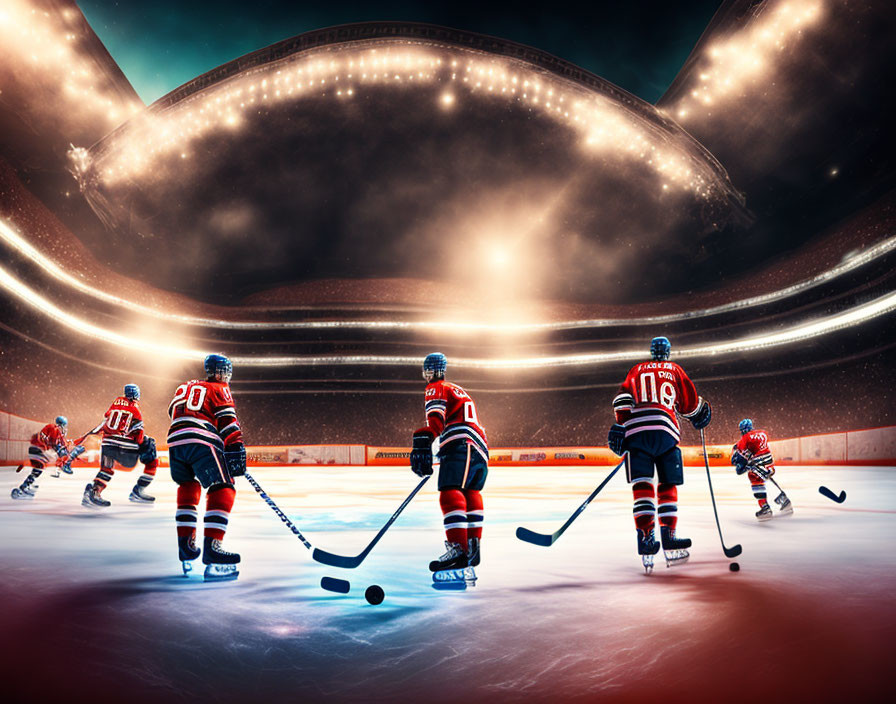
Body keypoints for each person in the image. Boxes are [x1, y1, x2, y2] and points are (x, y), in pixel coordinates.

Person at [608, 336, 712, 571]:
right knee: (667, 484)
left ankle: (645, 538)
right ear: (667, 352)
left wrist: (621, 426)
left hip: (636, 432)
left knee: (642, 485)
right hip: (666, 431)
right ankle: (668, 535)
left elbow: (622, 399)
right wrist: (700, 413)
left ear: (651, 351)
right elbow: (689, 405)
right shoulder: (674, 369)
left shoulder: (636, 369)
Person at [167, 354, 246, 581]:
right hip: (201, 438)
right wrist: (236, 447)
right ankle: (213, 551)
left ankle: (186, 547)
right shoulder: (220, 388)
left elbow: (174, 412)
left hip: (175, 440)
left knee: (188, 484)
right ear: (221, 372)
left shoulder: (184, 387)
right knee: (224, 485)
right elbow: (228, 422)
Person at [410, 353, 488, 573]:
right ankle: (472, 548)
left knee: (449, 490)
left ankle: (458, 549)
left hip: (460, 444)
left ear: (430, 371)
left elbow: (436, 421)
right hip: (479, 447)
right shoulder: (458, 389)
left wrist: (422, 440)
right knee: (471, 492)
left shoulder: (435, 387)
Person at [81, 384, 158, 507]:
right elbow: (138, 436)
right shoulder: (135, 410)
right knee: (150, 447)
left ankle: (94, 492)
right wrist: (144, 445)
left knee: (106, 469)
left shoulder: (114, 405)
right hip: (123, 447)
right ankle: (139, 489)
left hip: (107, 443)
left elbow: (106, 420)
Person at [731, 418, 793, 521]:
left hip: (760, 462)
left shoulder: (745, 438)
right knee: (767, 478)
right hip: (769, 462)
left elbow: (740, 459)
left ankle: (765, 508)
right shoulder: (763, 433)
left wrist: (740, 463)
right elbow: (757, 446)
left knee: (755, 479)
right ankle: (784, 501)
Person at [11, 416, 70, 499]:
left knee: (38, 469)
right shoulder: (53, 428)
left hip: (37, 449)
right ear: (62, 424)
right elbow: (52, 441)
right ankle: (24, 487)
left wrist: (63, 449)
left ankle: (26, 486)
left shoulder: (55, 431)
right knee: (38, 469)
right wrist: (60, 449)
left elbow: (58, 443)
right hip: (37, 449)